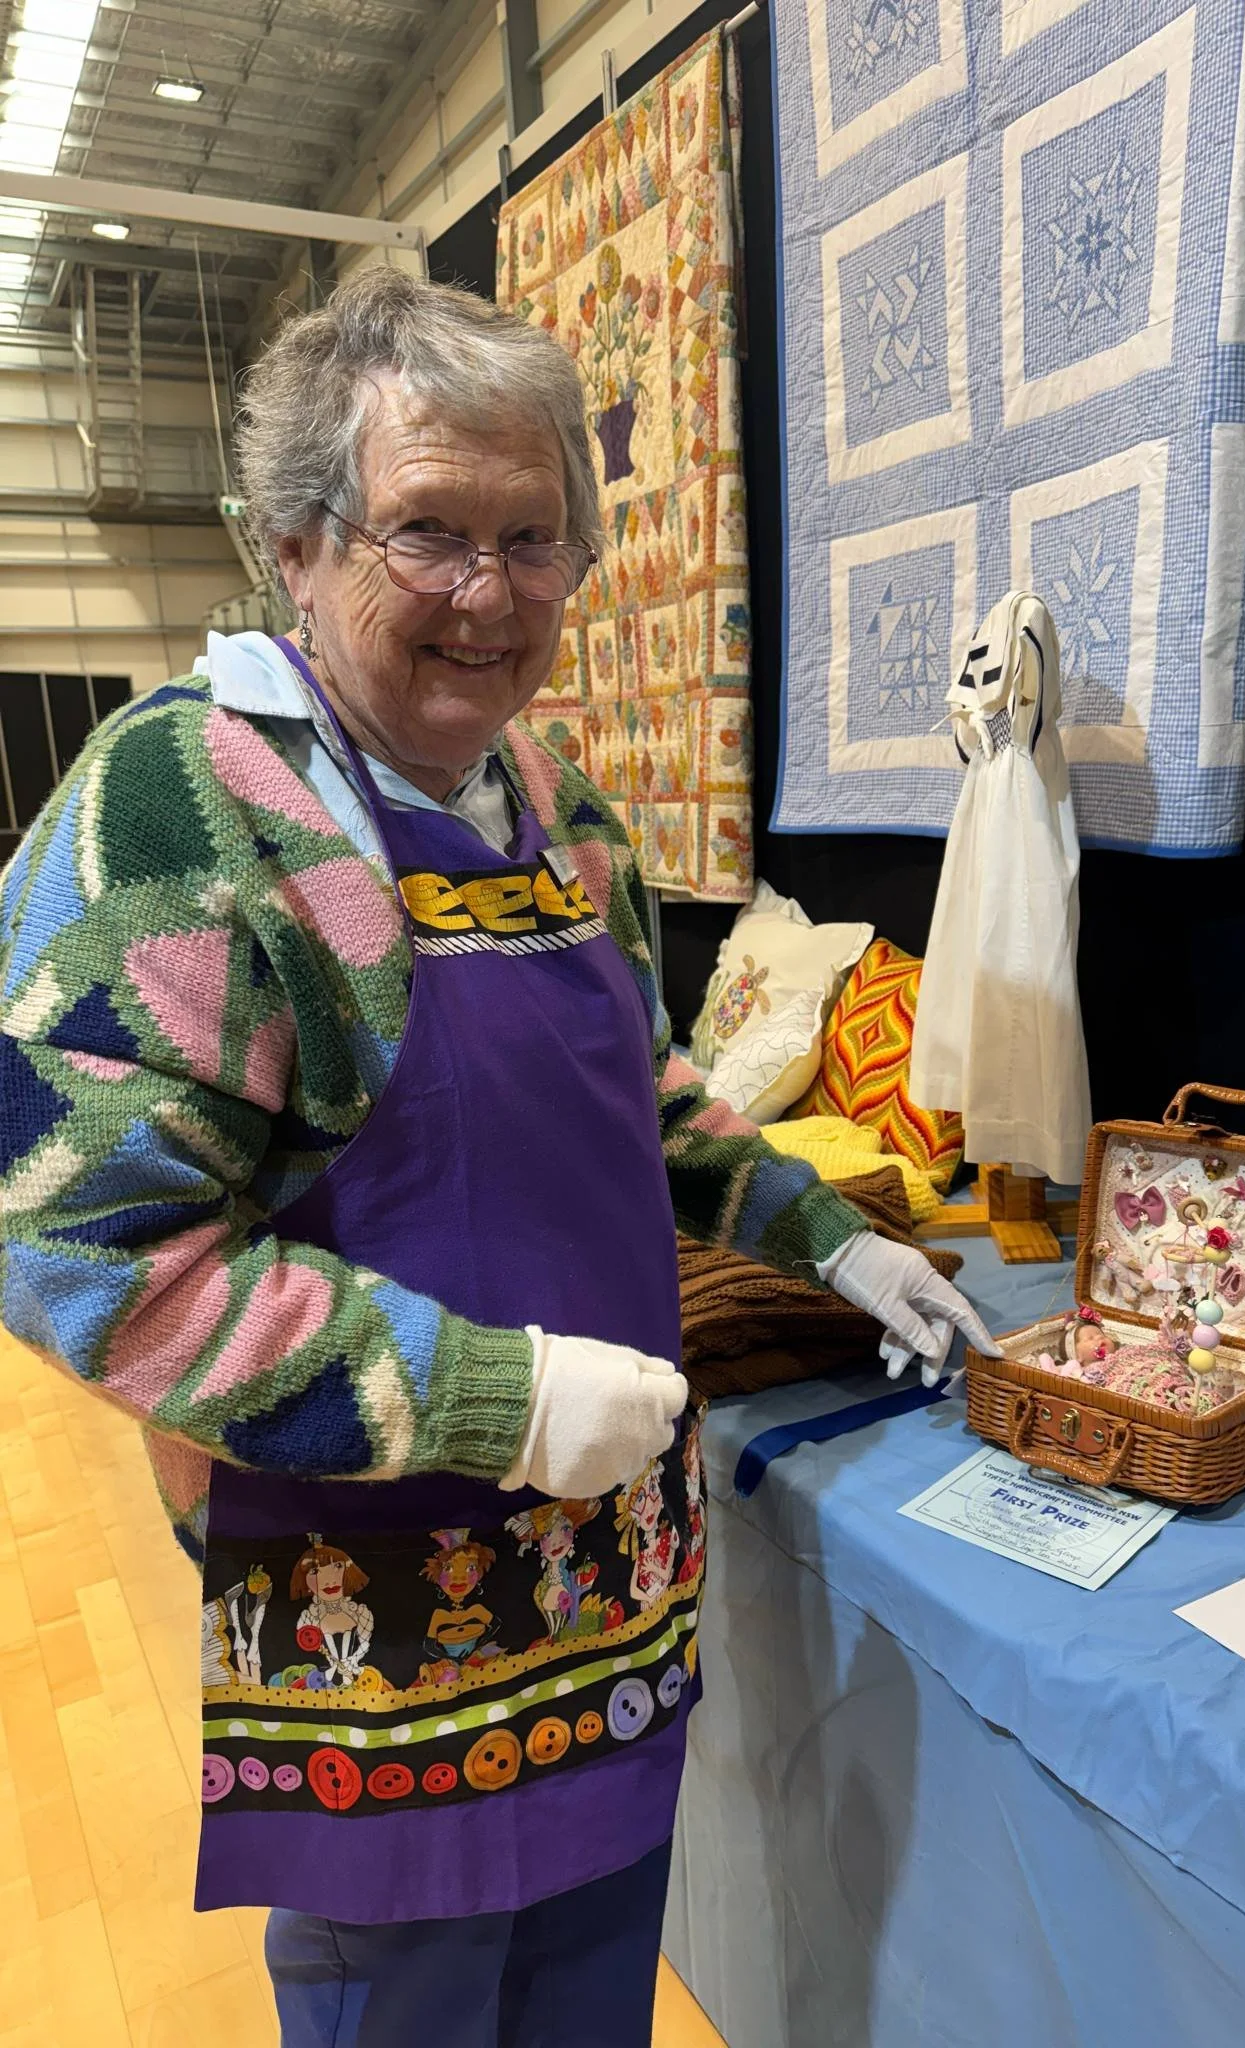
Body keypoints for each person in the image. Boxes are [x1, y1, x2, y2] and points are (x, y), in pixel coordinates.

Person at [0, 269, 996, 2048]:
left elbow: (644, 1096)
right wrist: (503, 1405)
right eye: (428, 533)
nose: (489, 593)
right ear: (297, 547)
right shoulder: (182, 806)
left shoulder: (556, 808)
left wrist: (830, 1239)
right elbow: (87, 1252)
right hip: (373, 1628)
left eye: (533, 539)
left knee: (593, 1999)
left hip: (609, 1596)